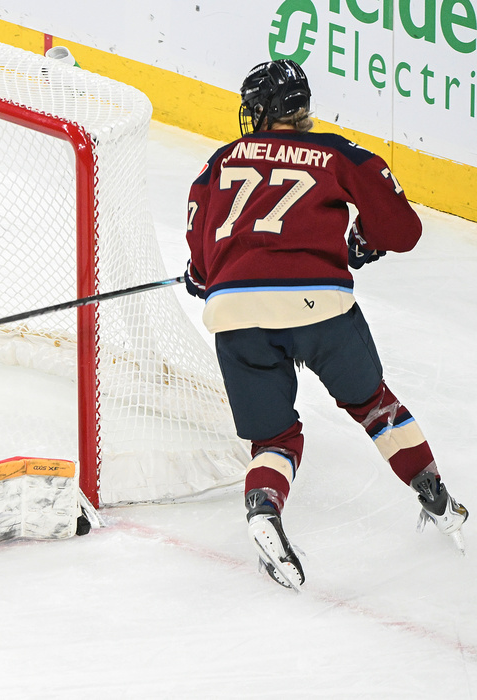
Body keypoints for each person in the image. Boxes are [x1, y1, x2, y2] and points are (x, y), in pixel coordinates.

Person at [183, 59, 468, 589]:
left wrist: (203, 276)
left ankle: (266, 507)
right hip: (320, 304)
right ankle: (436, 495)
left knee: (275, 437)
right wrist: (362, 241)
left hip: (236, 313)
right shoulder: (339, 154)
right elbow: (401, 229)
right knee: (375, 406)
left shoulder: (219, 161)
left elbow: (202, 255)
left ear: (262, 112)